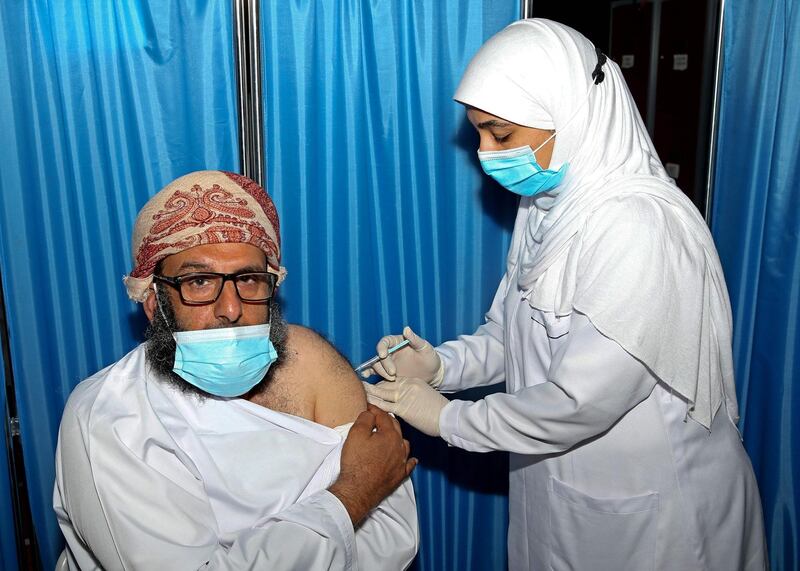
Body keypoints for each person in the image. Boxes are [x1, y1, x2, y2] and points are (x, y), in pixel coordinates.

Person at [364, 19, 767, 571]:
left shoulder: (637, 227)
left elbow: (580, 402)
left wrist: (449, 420)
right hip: (559, 488)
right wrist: (440, 367)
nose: (484, 152)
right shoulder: (548, 205)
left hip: (654, 509)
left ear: (568, 115)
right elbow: (513, 334)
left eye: (500, 135)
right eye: (479, 132)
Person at [54, 170, 419, 570]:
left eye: (248, 279)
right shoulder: (111, 418)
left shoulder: (308, 359)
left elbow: (390, 529)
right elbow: (368, 482)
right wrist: (351, 496)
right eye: (199, 282)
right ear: (155, 302)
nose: (231, 308)